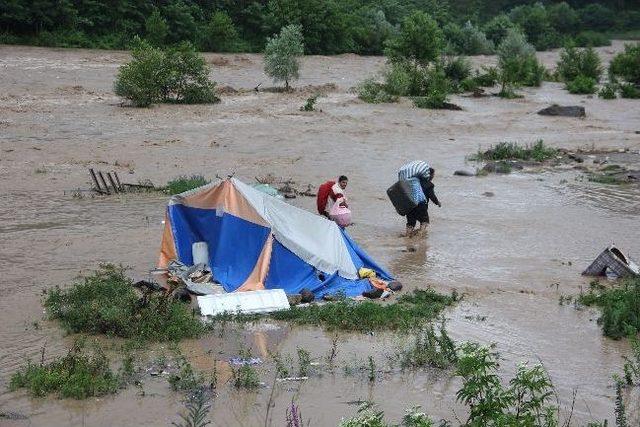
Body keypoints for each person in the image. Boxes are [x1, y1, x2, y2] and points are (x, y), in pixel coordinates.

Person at [405, 168, 441, 237]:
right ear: (429, 175)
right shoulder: (429, 185)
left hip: (410, 206)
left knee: (410, 223)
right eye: (433, 175)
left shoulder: (414, 182)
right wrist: (437, 202)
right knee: (424, 221)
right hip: (421, 206)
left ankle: (407, 236)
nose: (433, 176)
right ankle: (420, 236)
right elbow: (432, 196)